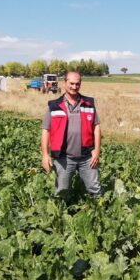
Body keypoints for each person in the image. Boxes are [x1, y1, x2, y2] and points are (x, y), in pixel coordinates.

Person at [41, 70, 102, 198]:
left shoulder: (89, 104)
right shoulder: (54, 106)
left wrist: (97, 150)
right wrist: (45, 155)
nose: (74, 87)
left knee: (95, 189)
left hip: (86, 157)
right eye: (71, 83)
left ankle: (99, 213)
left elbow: (96, 127)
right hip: (64, 157)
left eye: (77, 84)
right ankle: (63, 215)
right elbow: (45, 130)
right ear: (65, 83)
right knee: (62, 192)